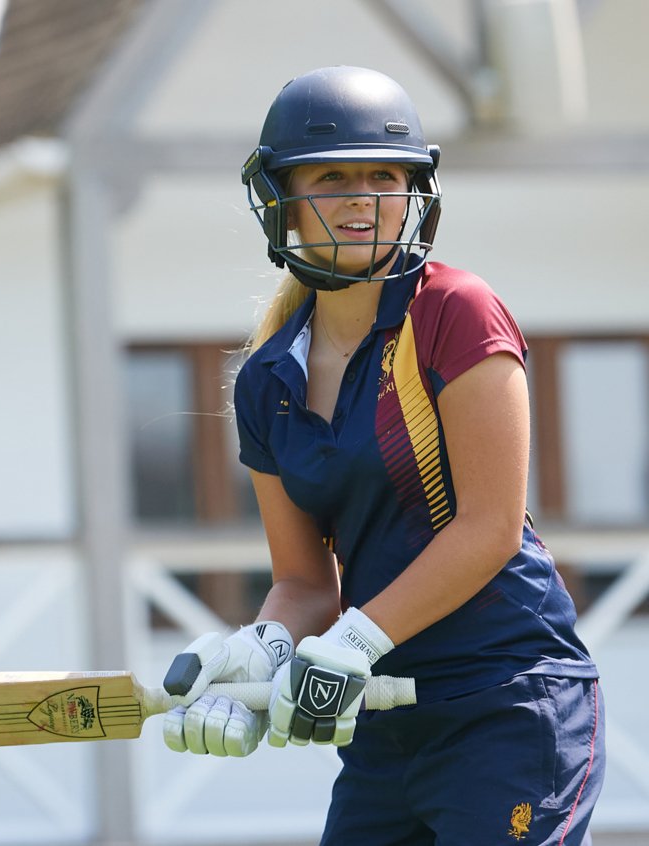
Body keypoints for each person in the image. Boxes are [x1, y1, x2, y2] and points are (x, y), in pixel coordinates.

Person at [162, 66, 605, 845]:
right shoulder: (267, 379)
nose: (362, 197)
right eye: (332, 176)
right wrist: (260, 652)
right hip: (386, 721)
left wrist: (349, 645)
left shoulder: (455, 311)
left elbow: (490, 527)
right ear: (282, 198)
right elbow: (303, 582)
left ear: (415, 192)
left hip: (509, 703)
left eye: (384, 175)